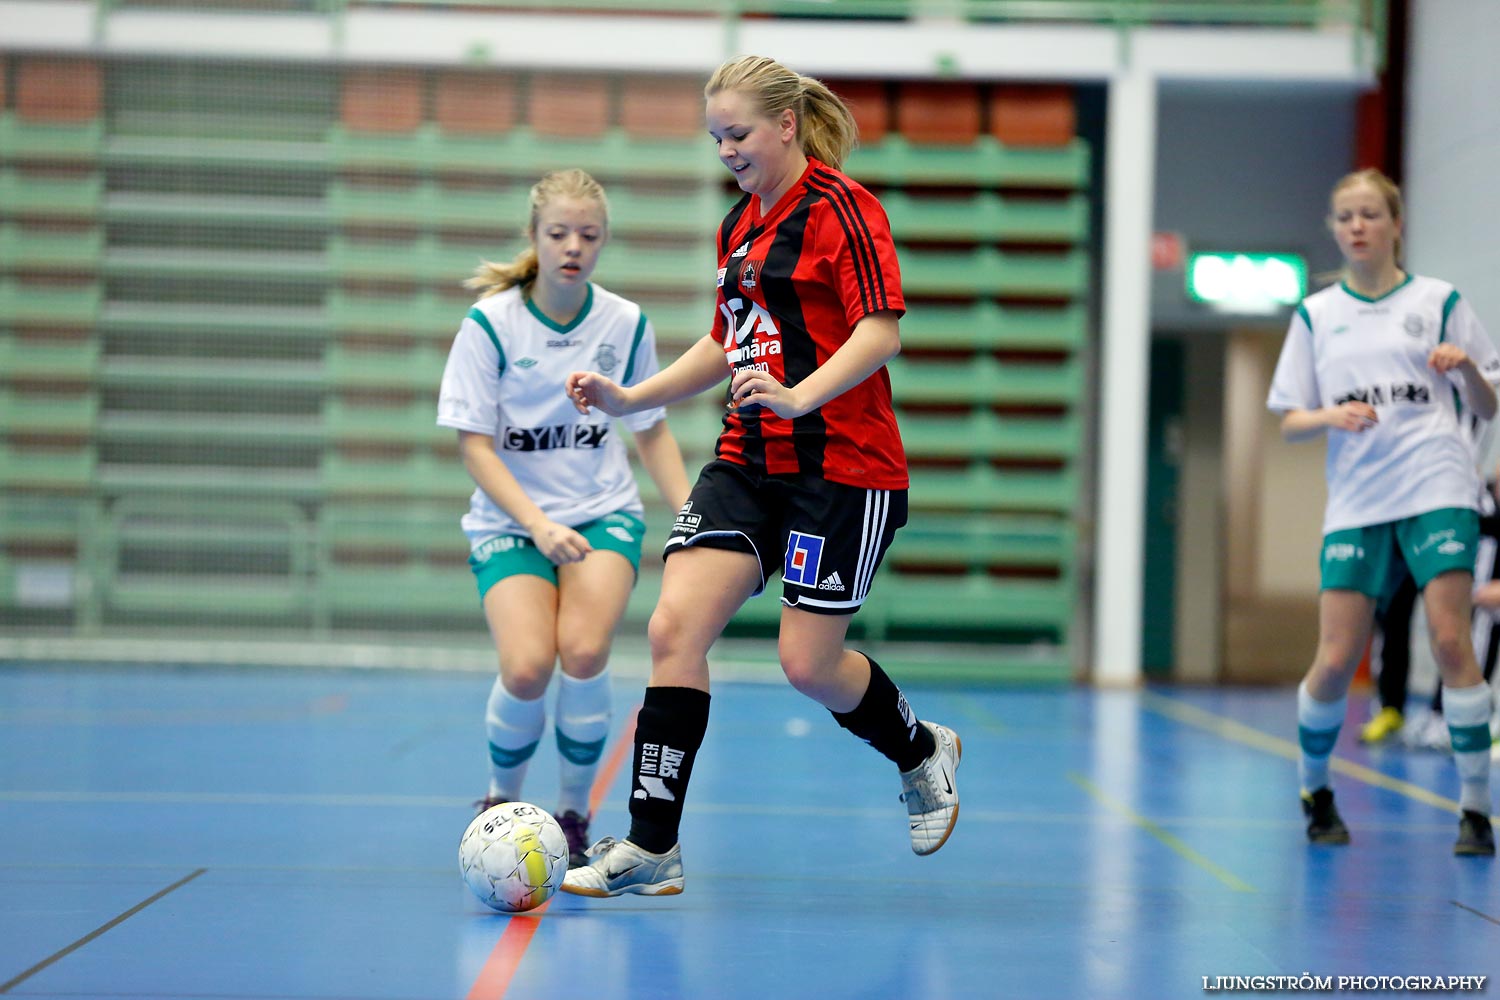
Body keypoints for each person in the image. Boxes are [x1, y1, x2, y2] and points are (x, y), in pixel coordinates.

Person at [558, 55, 961, 897]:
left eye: (737, 133)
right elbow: (724, 341)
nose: (727, 151)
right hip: (748, 460)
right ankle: (652, 845)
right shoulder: (737, 227)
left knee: (807, 664)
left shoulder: (847, 212)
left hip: (844, 472)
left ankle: (921, 750)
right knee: (673, 628)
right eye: (715, 138)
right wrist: (633, 394)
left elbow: (880, 333)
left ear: (785, 124)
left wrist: (797, 397)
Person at [436, 168, 691, 868]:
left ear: (604, 240)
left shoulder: (625, 322)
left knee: (582, 652)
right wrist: (539, 525)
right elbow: (476, 448)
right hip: (512, 522)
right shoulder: (491, 324)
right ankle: (498, 805)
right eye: (559, 233)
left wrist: (694, 516)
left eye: (589, 234)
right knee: (525, 669)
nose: (573, 246)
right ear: (534, 238)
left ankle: (574, 817)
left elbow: (651, 428)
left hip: (602, 511)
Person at [1266, 167, 1500, 855]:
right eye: (1345, 217)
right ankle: (1316, 793)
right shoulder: (1317, 313)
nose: (1357, 226)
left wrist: (1464, 369)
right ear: (1334, 229)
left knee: (1452, 641)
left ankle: (1476, 810)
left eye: (1370, 214)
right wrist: (1329, 415)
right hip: (1360, 499)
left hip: (1438, 487)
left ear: (1396, 224)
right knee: (1337, 658)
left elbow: (1489, 404)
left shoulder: (1440, 301)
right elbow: (1290, 420)